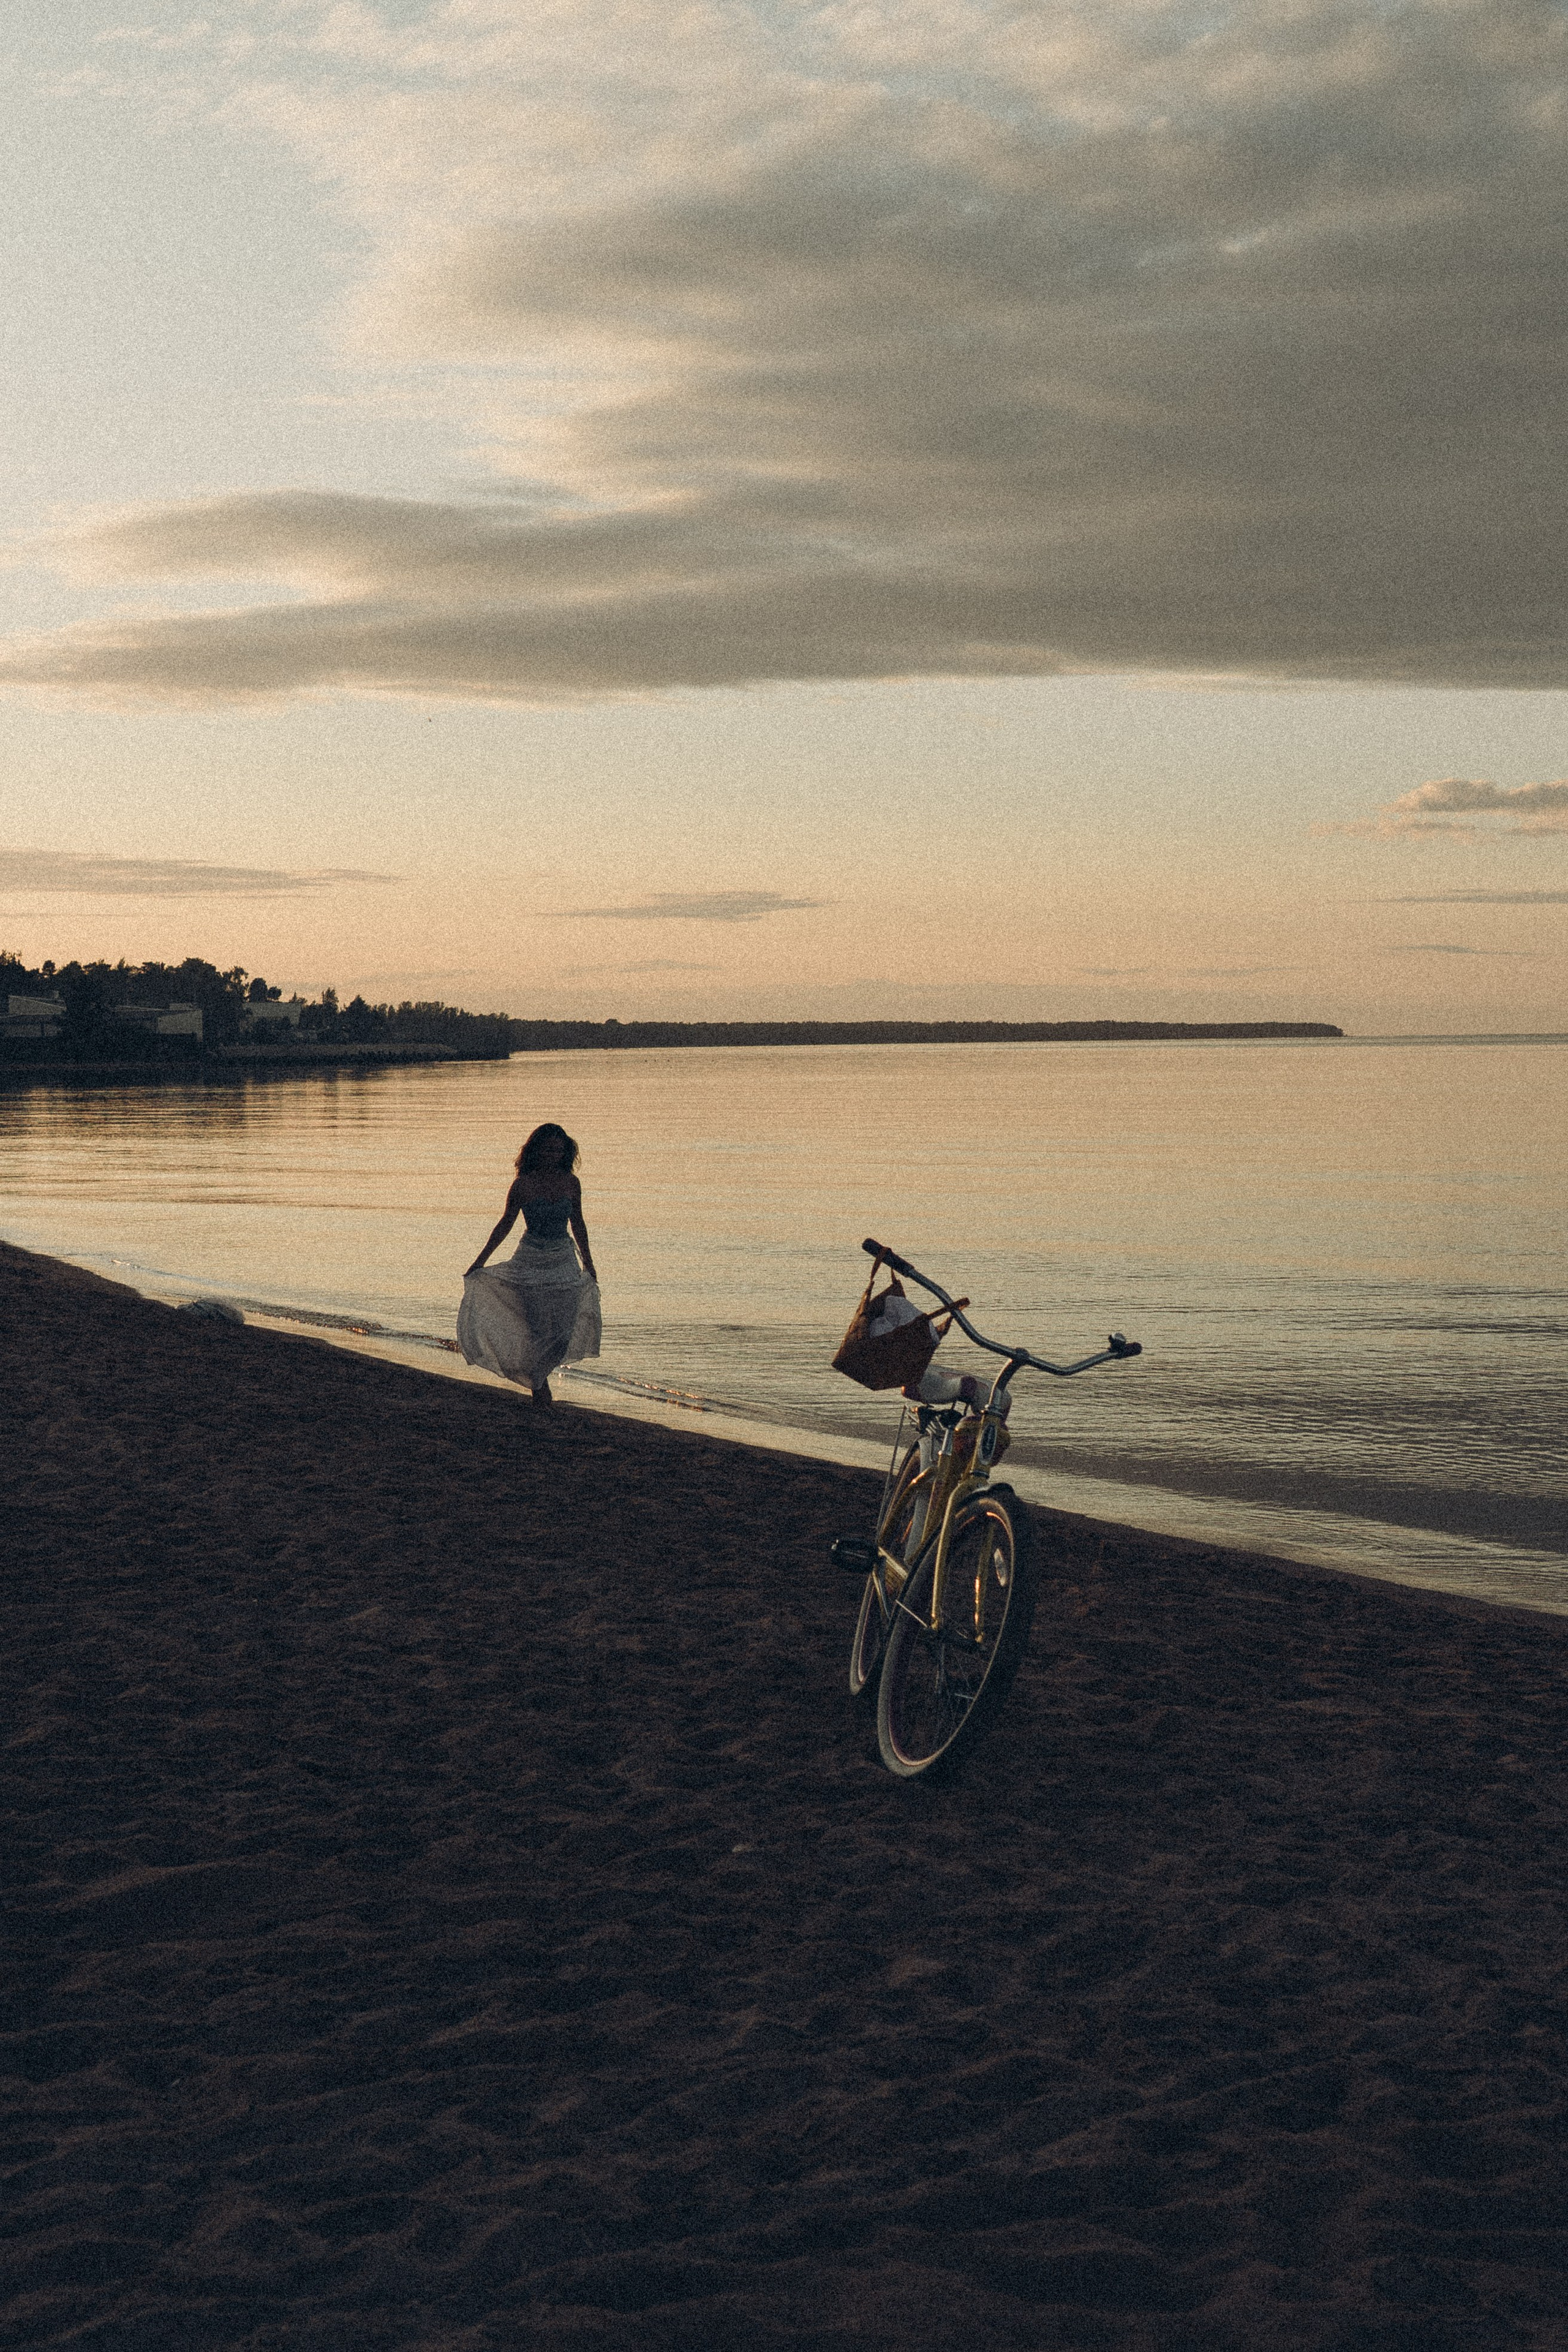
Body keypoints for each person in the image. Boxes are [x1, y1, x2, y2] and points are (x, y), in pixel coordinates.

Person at [457, 1122, 601, 1407]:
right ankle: (539, 1387)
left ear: (565, 1153)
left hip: (563, 1260)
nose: (553, 1155)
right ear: (537, 1151)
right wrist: (480, 1261)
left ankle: (538, 1376)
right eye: (547, 1149)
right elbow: (505, 1225)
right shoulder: (523, 1185)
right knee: (536, 1328)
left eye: (558, 1151)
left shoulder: (571, 1183)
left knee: (562, 1330)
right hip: (530, 1260)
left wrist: (589, 1262)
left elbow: (579, 1223)